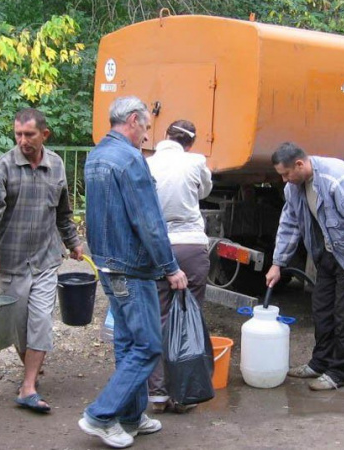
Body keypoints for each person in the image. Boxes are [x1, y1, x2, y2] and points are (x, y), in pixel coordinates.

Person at [79, 96, 188, 448]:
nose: (146, 132)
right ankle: (101, 415)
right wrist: (170, 266)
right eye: (145, 125)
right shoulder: (130, 159)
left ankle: (131, 415)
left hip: (108, 267)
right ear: (134, 120)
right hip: (131, 270)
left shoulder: (96, 156)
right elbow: (148, 221)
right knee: (147, 345)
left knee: (127, 341)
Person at [0, 108, 83, 413]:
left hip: (47, 259)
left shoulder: (57, 166)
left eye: (29, 134)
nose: (22, 140)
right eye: (18, 134)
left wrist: (72, 243)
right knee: (18, 328)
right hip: (12, 261)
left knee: (41, 322)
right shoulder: (2, 168)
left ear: (44, 135)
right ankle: (32, 367)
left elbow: (63, 213)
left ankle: (28, 386)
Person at [266, 142, 344, 391]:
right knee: (322, 311)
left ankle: (338, 372)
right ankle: (319, 363)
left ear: (300, 164)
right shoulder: (294, 188)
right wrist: (278, 263)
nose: (285, 180)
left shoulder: (335, 178)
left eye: (287, 173)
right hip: (326, 256)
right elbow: (289, 225)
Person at [145, 120, 213, 413]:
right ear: (191, 143)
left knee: (159, 318)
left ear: (165, 137)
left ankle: (157, 395)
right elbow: (203, 193)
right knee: (189, 319)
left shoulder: (147, 163)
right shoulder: (196, 161)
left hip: (158, 248)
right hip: (192, 247)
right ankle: (183, 394)